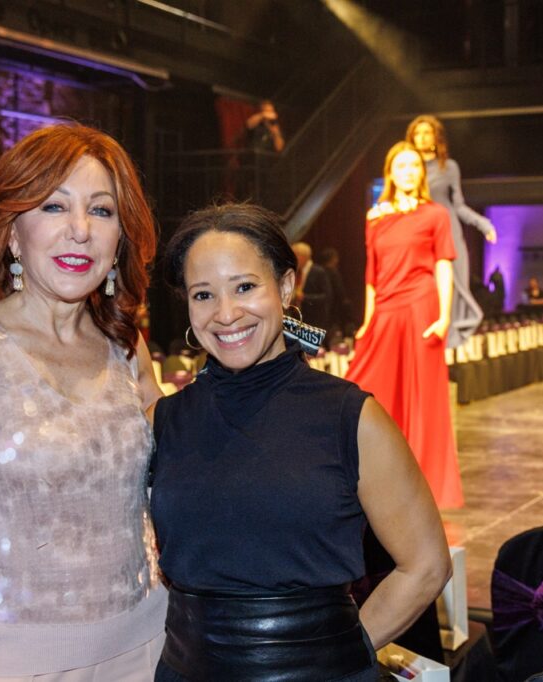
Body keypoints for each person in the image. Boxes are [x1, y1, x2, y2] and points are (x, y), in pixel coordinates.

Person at [0, 123, 167, 682]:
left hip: (149, 649)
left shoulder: (126, 348)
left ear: (120, 239)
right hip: (13, 664)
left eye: (101, 210)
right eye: (53, 206)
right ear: (13, 233)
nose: (79, 230)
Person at [151, 202, 451, 681]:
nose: (226, 314)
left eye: (245, 287)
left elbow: (427, 565)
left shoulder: (350, 417)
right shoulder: (167, 420)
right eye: (203, 295)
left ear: (286, 286)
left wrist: (335, 657)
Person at [346, 141, 463, 509]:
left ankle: (425, 484)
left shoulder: (435, 215)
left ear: (422, 173)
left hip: (420, 307)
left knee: (423, 398)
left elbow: (444, 265)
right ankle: (374, 475)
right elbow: (371, 273)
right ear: (390, 174)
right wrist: (368, 320)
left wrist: (444, 316)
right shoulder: (376, 217)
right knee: (367, 387)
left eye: (414, 166)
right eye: (401, 166)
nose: (409, 172)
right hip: (386, 308)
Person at [407, 114, 497, 348]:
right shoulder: (408, 167)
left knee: (453, 285)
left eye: (427, 133)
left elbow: (458, 205)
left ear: (436, 137)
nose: (422, 137)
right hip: (418, 231)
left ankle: (448, 347)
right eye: (417, 133)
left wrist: (483, 224)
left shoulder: (448, 167)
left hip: (447, 228)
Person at [291, 241, 333, 331]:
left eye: (295, 255)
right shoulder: (296, 271)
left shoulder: (318, 271)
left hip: (315, 319)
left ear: (303, 256)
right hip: (299, 317)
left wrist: (305, 297)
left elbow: (327, 296)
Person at [319, 246, 355, 340]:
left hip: (324, 306)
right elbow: (339, 290)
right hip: (335, 307)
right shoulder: (333, 272)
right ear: (332, 258)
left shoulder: (320, 271)